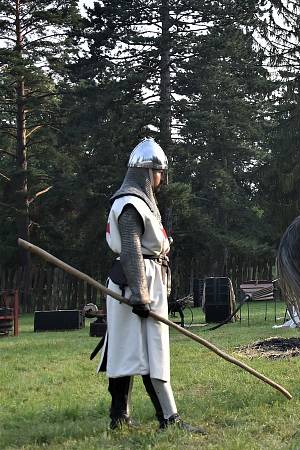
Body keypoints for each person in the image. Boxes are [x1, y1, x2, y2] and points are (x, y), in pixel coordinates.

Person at [99, 138, 204, 432]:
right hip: (135, 282)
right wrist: (141, 295)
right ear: (148, 172)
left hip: (143, 279)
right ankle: (164, 418)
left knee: (136, 349)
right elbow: (131, 247)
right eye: (159, 174)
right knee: (134, 351)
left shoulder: (140, 203)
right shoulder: (130, 203)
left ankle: (123, 416)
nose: (160, 181)